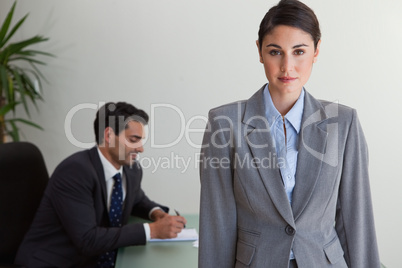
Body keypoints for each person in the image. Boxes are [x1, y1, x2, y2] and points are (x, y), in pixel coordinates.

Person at [198, 0, 380, 267]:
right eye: (275, 52)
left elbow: (356, 219)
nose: (287, 66)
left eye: (299, 51)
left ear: (316, 51)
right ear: (259, 51)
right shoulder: (224, 123)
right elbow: (217, 225)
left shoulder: (343, 122)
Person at [15, 102, 186, 267]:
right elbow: (88, 240)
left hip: (96, 261)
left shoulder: (131, 169)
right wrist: (153, 230)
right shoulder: (75, 171)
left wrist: (157, 214)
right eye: (134, 140)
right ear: (109, 135)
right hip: (58, 263)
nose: (141, 149)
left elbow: (136, 198)